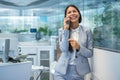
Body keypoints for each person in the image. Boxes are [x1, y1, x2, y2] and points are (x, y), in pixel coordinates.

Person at [54, 4, 93, 80]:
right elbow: (63, 49)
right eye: (69, 12)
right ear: (66, 17)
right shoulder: (62, 30)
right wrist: (66, 29)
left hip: (78, 72)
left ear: (79, 14)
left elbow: (90, 53)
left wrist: (79, 47)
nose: (72, 13)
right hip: (61, 71)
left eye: (74, 11)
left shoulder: (87, 31)